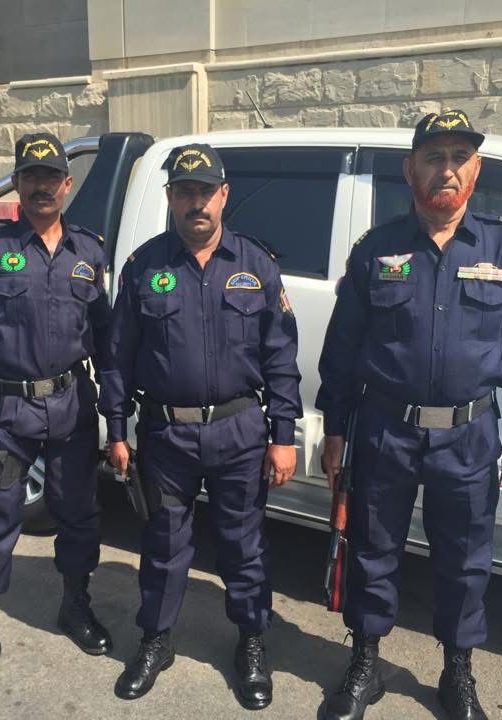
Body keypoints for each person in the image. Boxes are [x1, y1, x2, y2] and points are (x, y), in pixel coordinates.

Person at [316, 109, 502, 720]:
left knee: (465, 559)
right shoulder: (376, 250)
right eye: (433, 157)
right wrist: (335, 427)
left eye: (459, 158)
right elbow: (343, 348)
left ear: (475, 170)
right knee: (372, 549)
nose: (446, 170)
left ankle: (457, 671)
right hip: (386, 428)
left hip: (470, 435)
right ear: (410, 170)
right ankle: (365, 661)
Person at [100, 143, 302, 710]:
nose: (197, 202)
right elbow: (117, 357)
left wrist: (284, 435)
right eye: (185, 191)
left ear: (224, 195)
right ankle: (156, 640)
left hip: (240, 432)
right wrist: (116, 430)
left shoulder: (255, 266)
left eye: (206, 191)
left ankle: (252, 642)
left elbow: (281, 358)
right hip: (166, 434)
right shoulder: (144, 267)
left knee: (244, 545)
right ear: (170, 198)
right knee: (164, 544)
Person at [0, 132, 113, 697]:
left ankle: (75, 604)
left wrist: (117, 414)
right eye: (31, 176)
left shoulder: (89, 253)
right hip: (6, 410)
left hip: (71, 405)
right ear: (17, 184)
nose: (42, 186)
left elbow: (106, 337)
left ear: (67, 184)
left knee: (79, 514)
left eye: (51, 177)